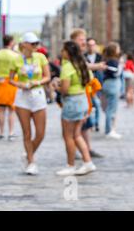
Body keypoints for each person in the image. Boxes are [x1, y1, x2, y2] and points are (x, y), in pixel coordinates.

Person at [9, 32, 51, 175]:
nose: (35, 46)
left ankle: (28, 153)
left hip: (38, 94)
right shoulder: (16, 60)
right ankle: (31, 162)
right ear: (24, 45)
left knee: (40, 133)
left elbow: (47, 77)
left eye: (36, 44)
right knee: (27, 132)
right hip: (23, 96)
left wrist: (37, 82)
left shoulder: (41, 57)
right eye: (32, 44)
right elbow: (10, 79)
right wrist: (19, 84)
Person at [56, 41, 96, 176]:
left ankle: (70, 165)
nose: (62, 52)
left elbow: (65, 90)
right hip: (82, 100)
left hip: (72, 102)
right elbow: (90, 80)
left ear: (68, 52)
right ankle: (88, 162)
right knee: (77, 134)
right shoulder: (83, 64)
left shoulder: (67, 67)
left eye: (63, 49)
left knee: (68, 136)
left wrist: (55, 86)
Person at [70, 29, 105, 158]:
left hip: (84, 93)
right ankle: (77, 152)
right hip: (77, 93)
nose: (83, 42)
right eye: (81, 39)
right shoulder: (72, 53)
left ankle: (87, 150)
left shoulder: (79, 53)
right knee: (77, 124)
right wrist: (97, 66)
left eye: (84, 39)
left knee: (85, 124)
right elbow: (81, 66)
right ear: (74, 40)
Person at [0, 35, 19, 141]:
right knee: (11, 110)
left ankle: (1, 132)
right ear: (11, 42)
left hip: (0, 83)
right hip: (12, 84)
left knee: (1, 110)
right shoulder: (15, 56)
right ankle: (11, 132)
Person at [102, 42, 122, 139]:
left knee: (110, 108)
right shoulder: (113, 61)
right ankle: (109, 130)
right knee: (111, 108)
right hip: (112, 85)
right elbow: (115, 73)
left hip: (109, 84)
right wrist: (121, 67)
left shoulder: (108, 60)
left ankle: (110, 129)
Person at [84, 38, 103, 132]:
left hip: (97, 84)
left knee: (97, 104)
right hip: (87, 84)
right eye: (89, 45)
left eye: (93, 45)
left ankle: (96, 123)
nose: (91, 47)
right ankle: (90, 123)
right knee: (89, 105)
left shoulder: (100, 56)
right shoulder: (83, 57)